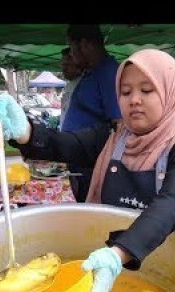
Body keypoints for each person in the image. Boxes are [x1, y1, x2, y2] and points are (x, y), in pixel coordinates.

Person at [0, 49, 175, 292]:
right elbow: (64, 145)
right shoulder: (111, 136)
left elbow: (172, 203)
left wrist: (117, 255)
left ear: (169, 94)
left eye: (147, 90)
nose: (135, 100)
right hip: (102, 258)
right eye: (126, 91)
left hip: (160, 262)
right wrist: (25, 132)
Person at [61, 24, 123, 202]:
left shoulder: (109, 73)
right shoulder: (92, 73)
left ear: (85, 45)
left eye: (72, 48)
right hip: (79, 162)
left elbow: (119, 123)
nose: (71, 55)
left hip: (91, 165)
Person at [59, 47, 83, 130]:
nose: (63, 69)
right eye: (62, 65)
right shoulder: (69, 85)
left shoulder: (85, 84)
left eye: (67, 65)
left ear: (78, 65)